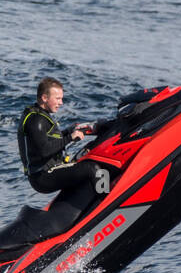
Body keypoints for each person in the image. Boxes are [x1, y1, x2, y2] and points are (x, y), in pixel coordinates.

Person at [16, 76, 114, 236]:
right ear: (44, 98)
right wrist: (70, 138)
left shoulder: (38, 115)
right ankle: (107, 207)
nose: (61, 102)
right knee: (92, 168)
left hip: (49, 170)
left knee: (90, 154)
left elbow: (47, 139)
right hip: (43, 176)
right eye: (58, 98)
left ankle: (86, 207)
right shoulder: (36, 121)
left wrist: (70, 130)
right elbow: (45, 150)